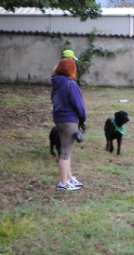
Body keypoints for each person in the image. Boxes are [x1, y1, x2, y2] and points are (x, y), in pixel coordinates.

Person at [51, 58, 87, 191]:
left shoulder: (56, 83)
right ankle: (63, 183)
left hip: (58, 119)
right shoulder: (71, 84)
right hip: (69, 120)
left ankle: (69, 178)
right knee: (65, 152)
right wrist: (83, 119)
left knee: (67, 150)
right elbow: (79, 104)